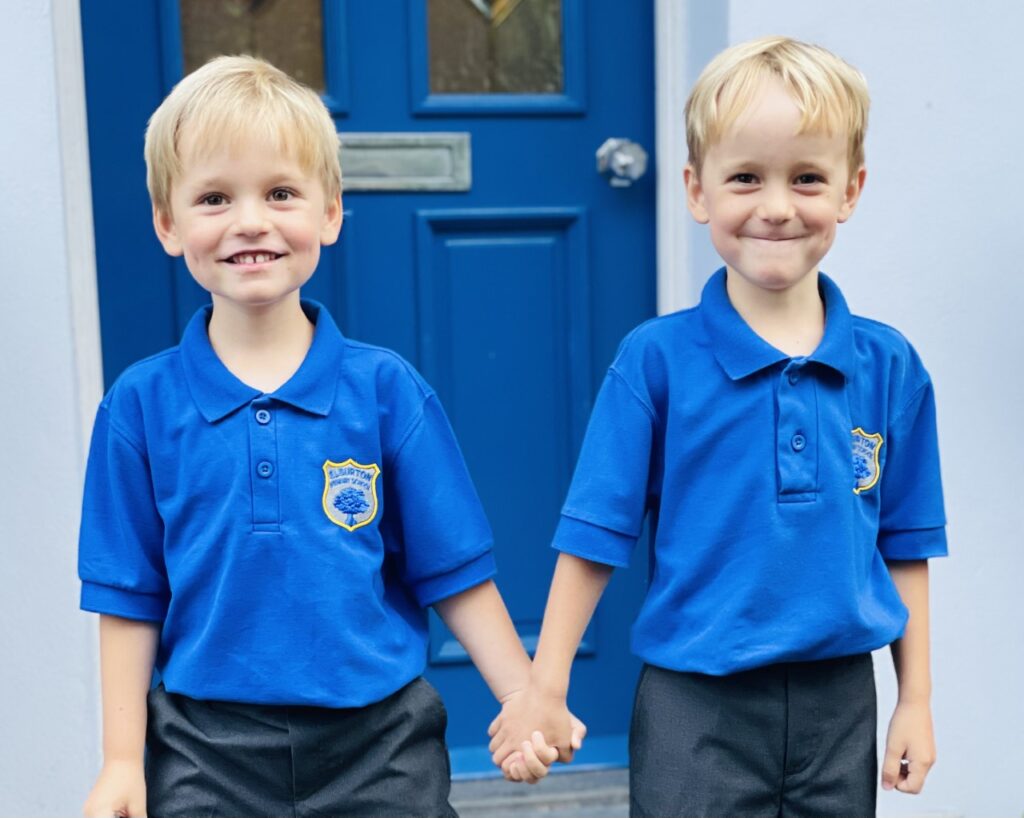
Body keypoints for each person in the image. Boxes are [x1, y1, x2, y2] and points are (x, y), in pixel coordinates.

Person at [78, 55, 578, 818]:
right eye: (215, 197)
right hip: (206, 750)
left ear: (331, 212)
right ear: (168, 224)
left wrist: (522, 694)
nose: (251, 221)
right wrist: (121, 761)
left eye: (281, 193)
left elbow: (453, 570)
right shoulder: (138, 407)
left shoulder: (386, 392)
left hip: (379, 743)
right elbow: (129, 596)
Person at [488, 36, 946, 816]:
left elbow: (905, 542)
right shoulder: (655, 362)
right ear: (698, 191)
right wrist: (545, 684)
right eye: (746, 178)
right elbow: (595, 534)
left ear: (850, 190)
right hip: (693, 706)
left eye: (807, 178)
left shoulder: (890, 366)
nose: (776, 206)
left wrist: (915, 700)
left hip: (841, 701)